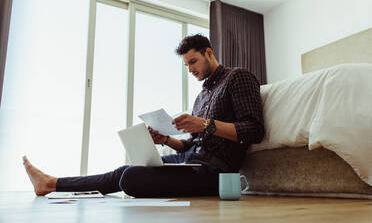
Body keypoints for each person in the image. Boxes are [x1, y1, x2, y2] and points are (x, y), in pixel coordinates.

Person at [23, 34, 265, 197]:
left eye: (193, 62)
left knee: (130, 177)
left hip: (216, 172)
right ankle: (51, 183)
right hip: (191, 160)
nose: (190, 69)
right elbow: (191, 145)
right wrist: (166, 140)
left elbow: (254, 130)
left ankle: (52, 183)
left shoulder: (238, 77)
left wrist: (204, 124)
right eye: (186, 65)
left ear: (209, 53)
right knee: (124, 170)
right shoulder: (202, 96)